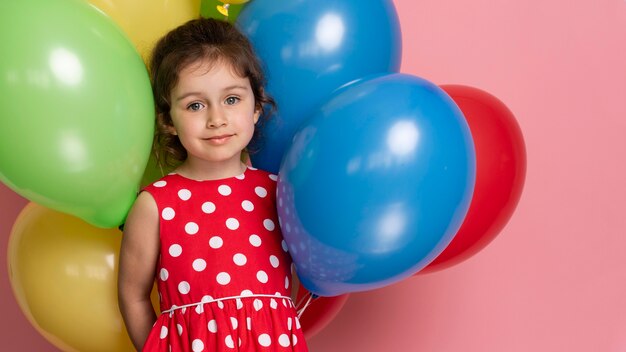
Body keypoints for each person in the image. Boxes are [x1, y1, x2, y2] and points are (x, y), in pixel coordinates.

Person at [118, 18, 309, 351]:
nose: (216, 118)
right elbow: (133, 295)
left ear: (256, 107)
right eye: (195, 105)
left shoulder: (280, 192)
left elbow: (285, 291)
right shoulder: (155, 204)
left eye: (232, 99)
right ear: (168, 120)